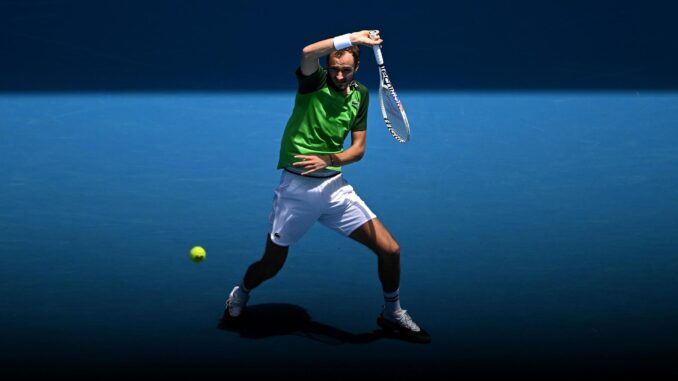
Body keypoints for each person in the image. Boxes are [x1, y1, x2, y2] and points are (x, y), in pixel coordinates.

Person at [224, 30, 430, 343]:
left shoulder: (360, 95)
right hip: (296, 191)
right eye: (335, 68)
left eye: (346, 69)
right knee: (271, 265)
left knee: (390, 250)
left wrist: (329, 158)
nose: (339, 74)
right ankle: (241, 292)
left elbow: (358, 149)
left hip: (335, 189)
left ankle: (392, 311)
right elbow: (308, 53)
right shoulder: (314, 82)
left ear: (356, 69)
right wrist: (352, 38)